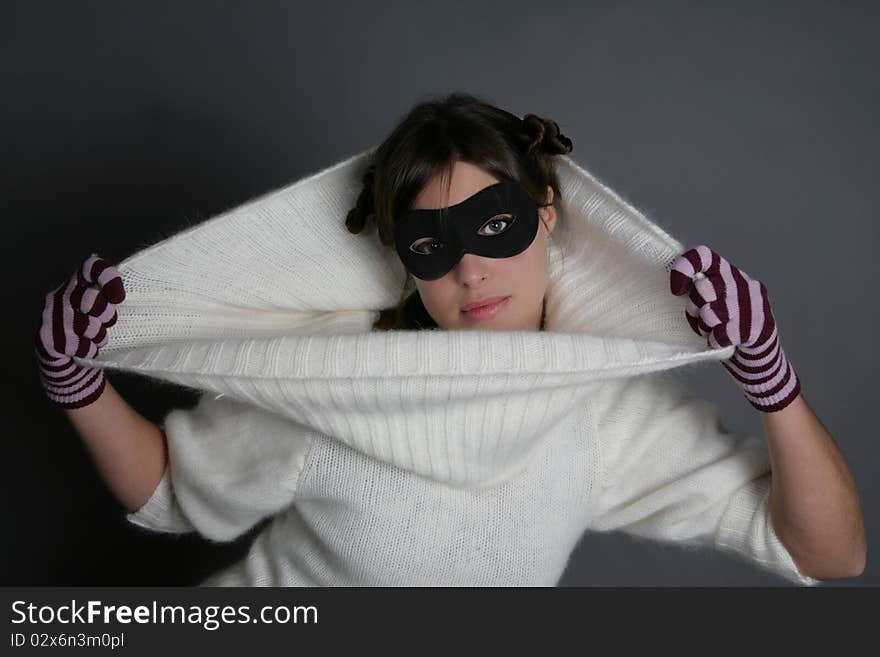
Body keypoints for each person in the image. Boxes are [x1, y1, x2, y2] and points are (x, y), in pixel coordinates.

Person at [35, 92, 865, 586]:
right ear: (403, 261)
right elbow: (174, 487)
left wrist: (772, 383)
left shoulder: (602, 414)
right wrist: (77, 380)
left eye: (494, 224)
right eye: (432, 242)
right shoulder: (336, 384)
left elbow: (828, 555)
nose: (470, 268)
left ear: (545, 212)